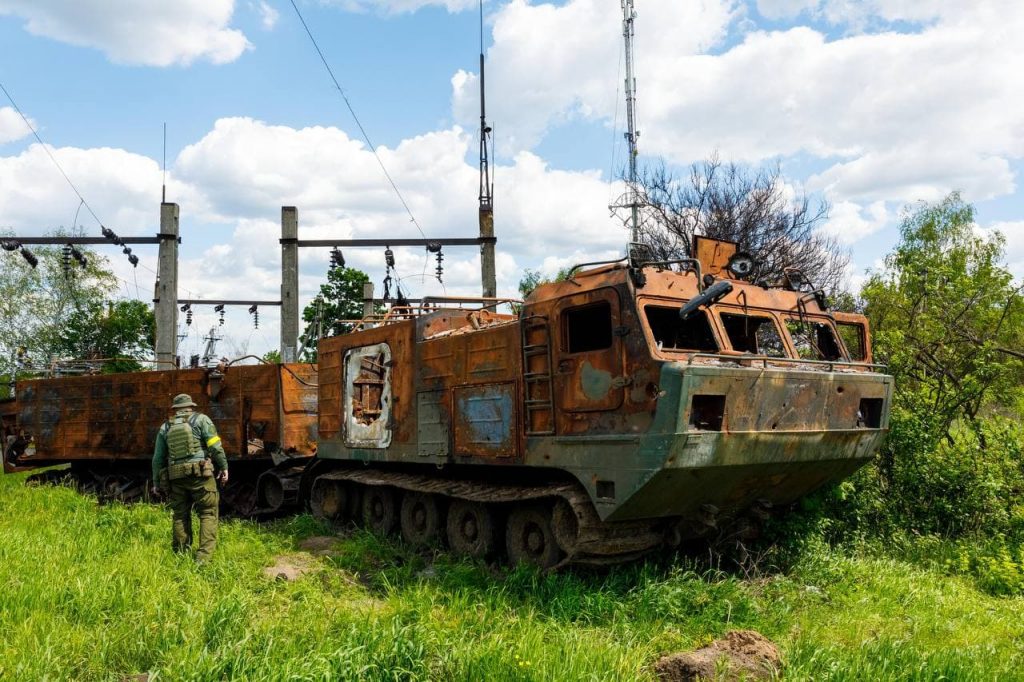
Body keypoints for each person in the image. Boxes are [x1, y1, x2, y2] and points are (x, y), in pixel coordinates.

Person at [151, 393, 229, 563]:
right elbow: (215, 446)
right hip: (200, 476)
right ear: (190, 407)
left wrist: (156, 482)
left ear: (175, 409)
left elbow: (157, 458)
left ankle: (180, 555)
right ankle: (203, 559)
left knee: (180, 515)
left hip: (176, 477)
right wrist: (223, 467)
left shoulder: (165, 427)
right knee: (208, 513)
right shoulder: (202, 420)